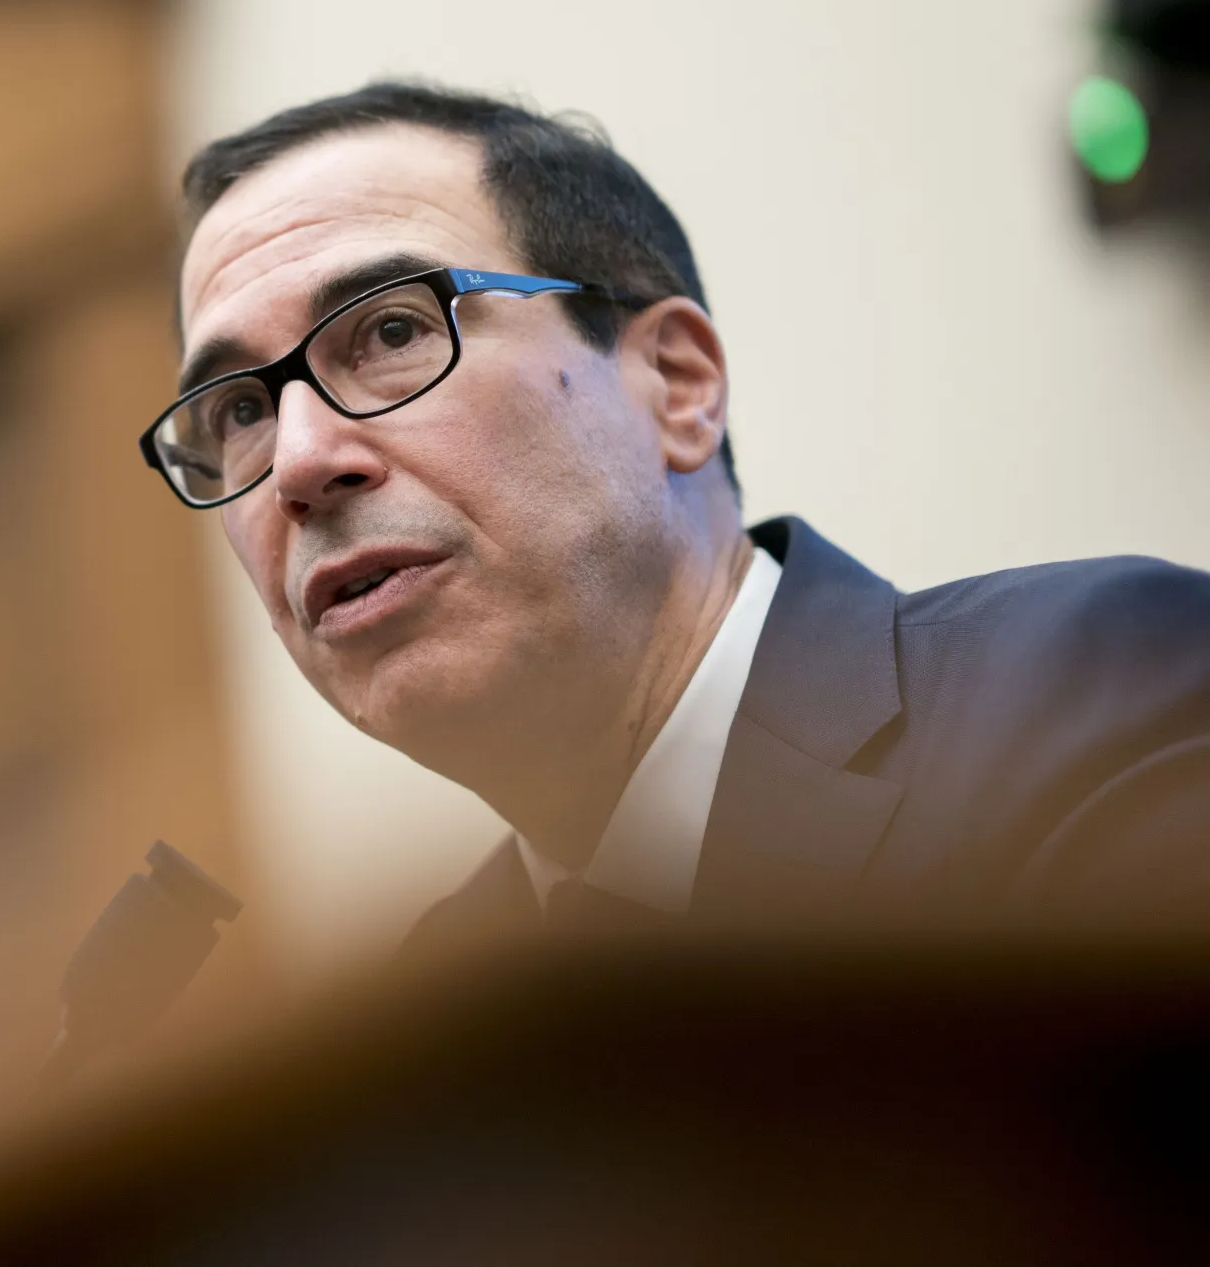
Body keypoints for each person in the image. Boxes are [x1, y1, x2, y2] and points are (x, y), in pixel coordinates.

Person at [139, 82, 1210, 946]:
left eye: (388, 335)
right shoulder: (435, 1015)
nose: (300, 463)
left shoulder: (1093, 698)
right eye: (238, 409)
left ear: (677, 384)